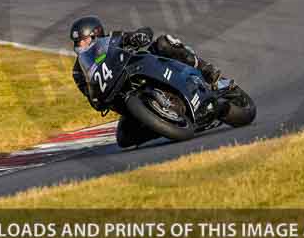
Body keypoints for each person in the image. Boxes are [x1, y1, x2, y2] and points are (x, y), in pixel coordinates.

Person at [69, 16, 222, 147]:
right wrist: (96, 99)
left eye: (83, 40)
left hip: (139, 69)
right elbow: (90, 94)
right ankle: (163, 124)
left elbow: (141, 33)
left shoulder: (113, 39)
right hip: (121, 96)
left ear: (96, 35)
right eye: (77, 43)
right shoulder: (79, 70)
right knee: (124, 139)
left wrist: (140, 36)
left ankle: (205, 68)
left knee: (164, 43)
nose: (79, 45)